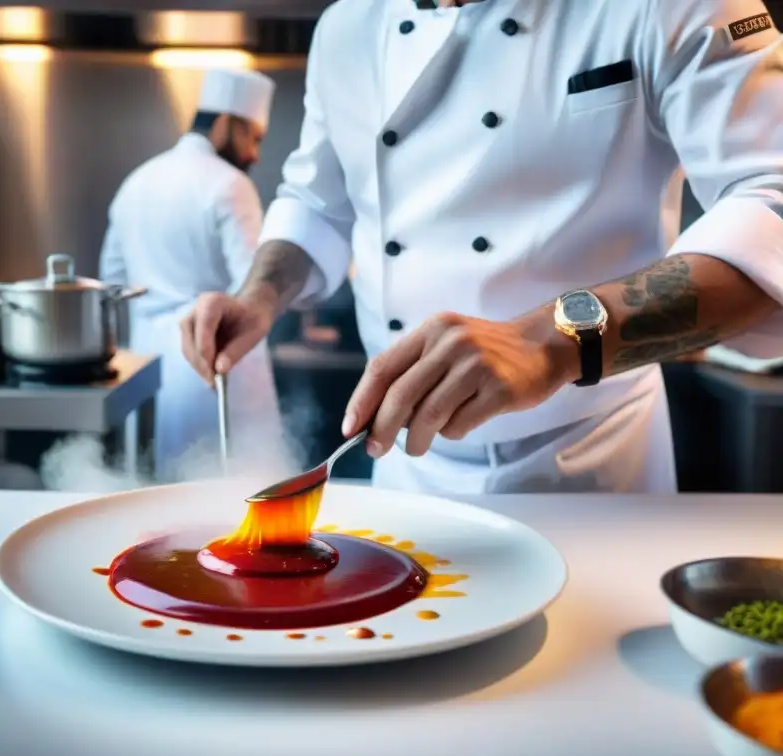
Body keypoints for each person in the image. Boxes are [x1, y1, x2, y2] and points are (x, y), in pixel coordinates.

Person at [180, 0, 783, 495]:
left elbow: (772, 200)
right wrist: (258, 294)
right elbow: (317, 202)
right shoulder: (347, 27)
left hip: (594, 459)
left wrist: (549, 343)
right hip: (409, 469)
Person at [100, 68, 283, 481]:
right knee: (242, 499)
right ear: (224, 124)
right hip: (218, 365)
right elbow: (255, 283)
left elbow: (112, 278)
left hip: (151, 368)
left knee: (170, 505)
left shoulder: (136, 181)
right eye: (253, 138)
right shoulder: (230, 184)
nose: (255, 154)